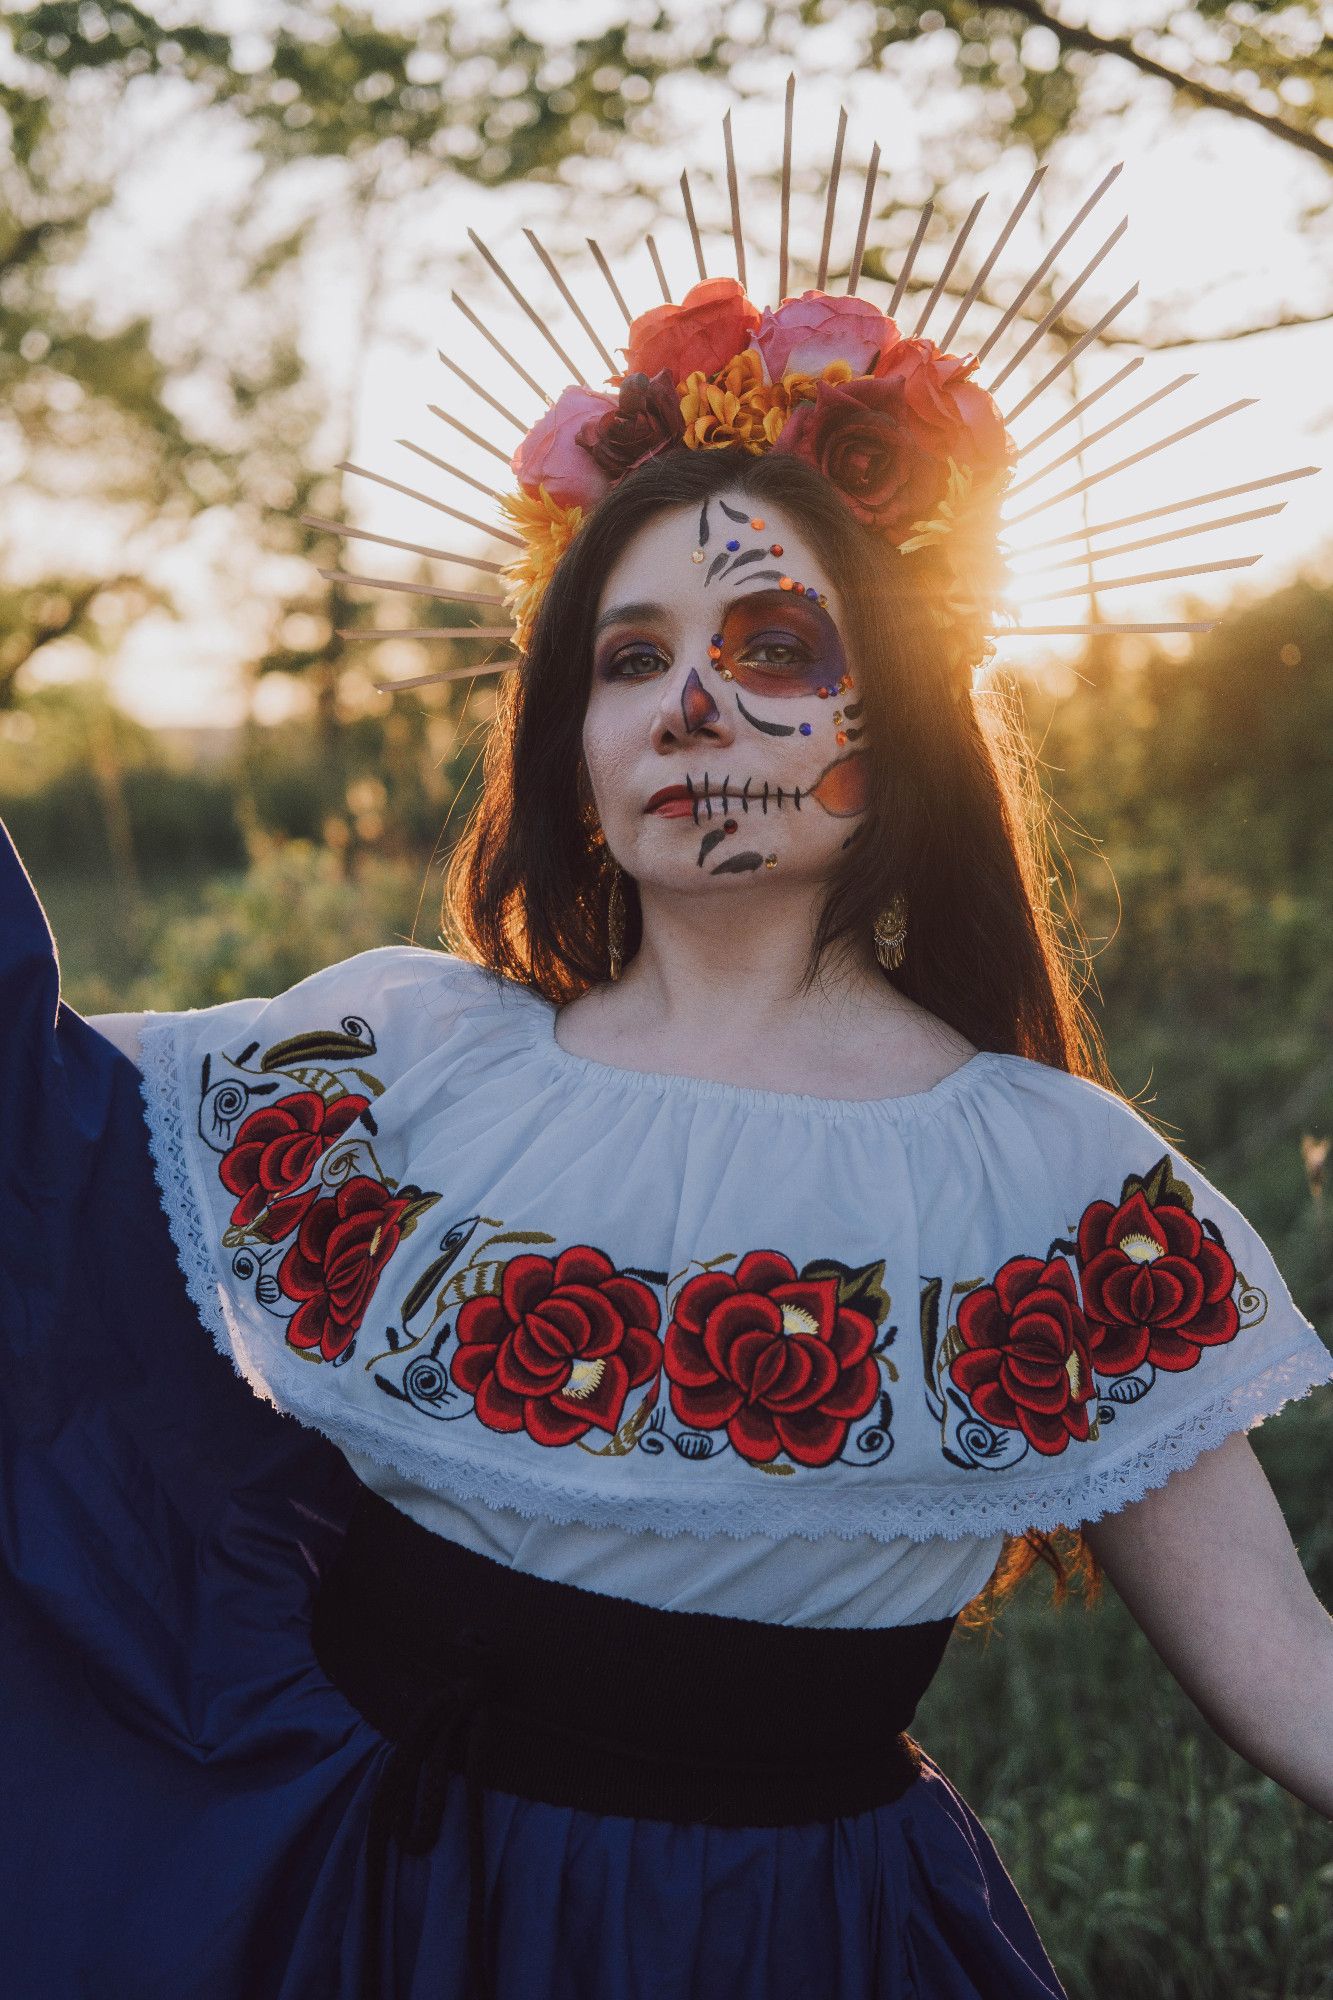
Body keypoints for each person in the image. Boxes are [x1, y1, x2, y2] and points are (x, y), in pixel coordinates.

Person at [3, 140, 1331, 2000]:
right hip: (363, 1904)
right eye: (631, 658)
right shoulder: (405, 1059)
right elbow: (30, 1138)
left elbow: (1290, 1679)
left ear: (911, 721)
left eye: (774, 644)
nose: (692, 707)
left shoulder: (1043, 1176)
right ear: (568, 741)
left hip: (783, 1942)